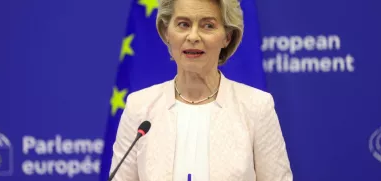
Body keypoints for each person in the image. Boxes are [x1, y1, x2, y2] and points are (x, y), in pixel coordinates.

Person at [109, 0, 293, 180]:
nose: (193, 36)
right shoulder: (140, 107)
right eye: (183, 24)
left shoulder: (256, 106)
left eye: (208, 26)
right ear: (166, 32)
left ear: (227, 37)